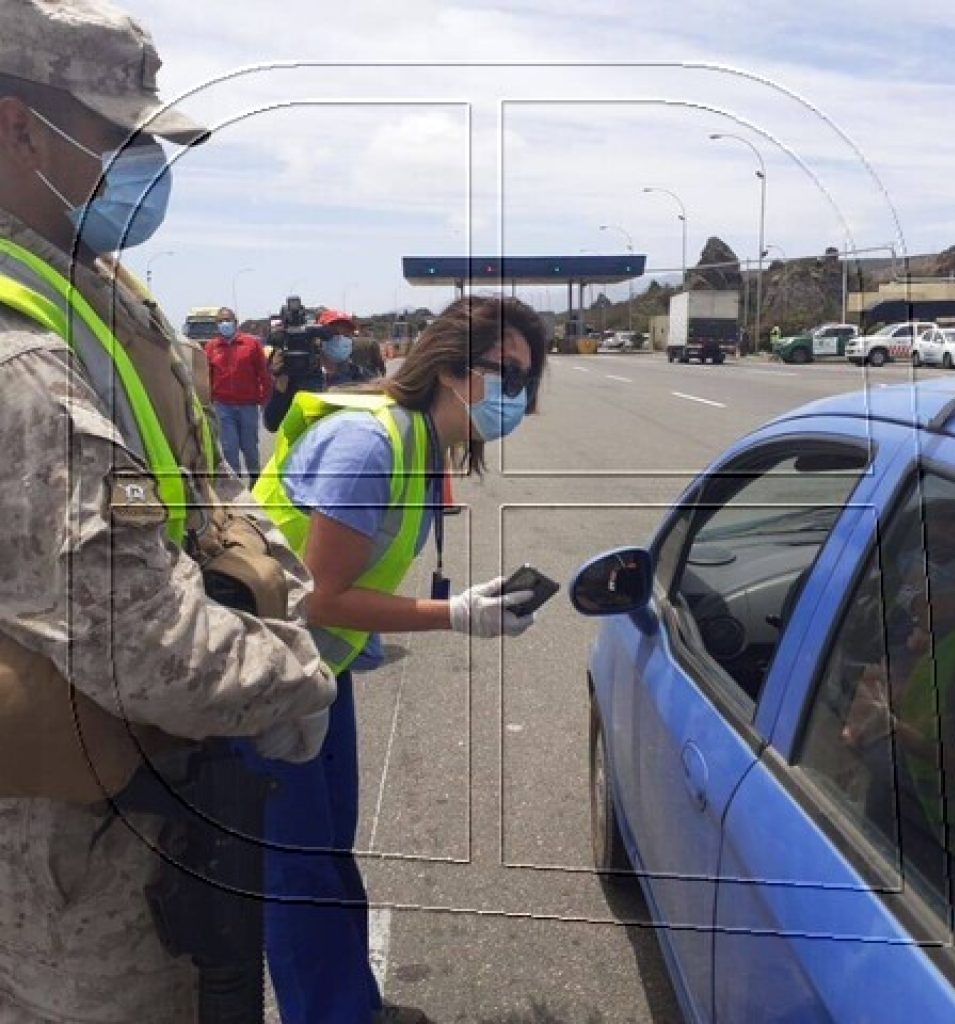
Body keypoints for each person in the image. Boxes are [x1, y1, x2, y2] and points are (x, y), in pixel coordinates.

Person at [0, 2, 336, 1020]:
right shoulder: (22, 358)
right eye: (122, 139)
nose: (149, 166)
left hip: (146, 815)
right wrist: (297, 680)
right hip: (74, 869)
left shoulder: (96, 291)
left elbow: (199, 485)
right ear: (18, 128)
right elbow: (140, 648)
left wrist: (274, 582)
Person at [252, 294, 549, 1024]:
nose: (519, 397)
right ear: (450, 368)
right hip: (264, 675)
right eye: (506, 374)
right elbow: (319, 597)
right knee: (297, 867)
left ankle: (351, 1004)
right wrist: (455, 615)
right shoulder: (372, 445)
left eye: (528, 382)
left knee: (326, 850)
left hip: (317, 672)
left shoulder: (417, 440)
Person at [843, 499, 955, 926]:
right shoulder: (913, 630)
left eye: (942, 556)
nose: (922, 565)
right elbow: (862, 722)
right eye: (916, 548)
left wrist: (890, 727)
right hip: (913, 811)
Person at [204, 305, 272, 485]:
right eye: (220, 321)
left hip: (248, 405)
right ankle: (234, 485)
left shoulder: (251, 344)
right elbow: (206, 375)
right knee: (229, 447)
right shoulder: (211, 347)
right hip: (223, 405)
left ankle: (256, 481)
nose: (224, 324)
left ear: (236, 322)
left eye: (227, 320)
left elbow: (263, 373)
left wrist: (265, 399)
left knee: (249, 447)